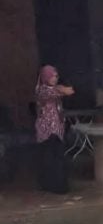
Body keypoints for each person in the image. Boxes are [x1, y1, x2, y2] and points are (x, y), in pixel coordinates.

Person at [35, 65, 74, 194]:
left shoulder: (51, 89)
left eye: (56, 76)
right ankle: (54, 185)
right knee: (52, 158)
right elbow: (64, 92)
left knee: (56, 157)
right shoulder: (42, 90)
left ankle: (57, 185)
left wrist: (61, 88)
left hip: (56, 129)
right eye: (52, 76)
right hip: (48, 131)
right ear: (46, 77)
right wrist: (63, 89)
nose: (55, 78)